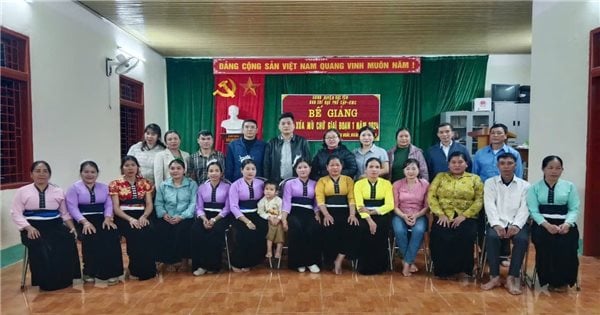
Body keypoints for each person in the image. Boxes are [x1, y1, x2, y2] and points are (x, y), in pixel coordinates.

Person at [10, 161, 80, 291]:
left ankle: (65, 279)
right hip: (32, 226)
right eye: (37, 171)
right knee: (41, 243)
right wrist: (28, 228)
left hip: (54, 224)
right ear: (31, 174)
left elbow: (64, 213)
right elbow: (16, 213)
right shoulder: (22, 191)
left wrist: (72, 228)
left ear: (50, 174)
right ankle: (45, 281)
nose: (41, 174)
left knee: (67, 239)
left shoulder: (58, 191)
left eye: (45, 171)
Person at [527, 155, 580, 292]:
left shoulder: (569, 186)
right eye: (550, 167)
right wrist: (546, 225)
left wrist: (567, 224)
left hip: (565, 225)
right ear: (543, 169)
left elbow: (574, 209)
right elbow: (533, 210)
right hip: (543, 224)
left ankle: (563, 281)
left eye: (558, 168)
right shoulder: (534, 188)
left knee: (566, 245)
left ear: (562, 170)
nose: (554, 171)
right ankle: (548, 279)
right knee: (546, 243)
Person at [480, 152, 530, 295]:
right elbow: (489, 205)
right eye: (502, 163)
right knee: (492, 237)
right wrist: (496, 224)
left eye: (510, 163)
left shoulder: (525, 186)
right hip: (497, 222)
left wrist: (516, 225)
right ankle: (494, 276)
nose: (506, 167)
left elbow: (525, 208)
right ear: (498, 166)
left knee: (521, 240)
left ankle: (512, 277)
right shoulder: (490, 183)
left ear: (515, 165)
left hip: (517, 223)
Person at [428, 151, 483, 278]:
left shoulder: (474, 179)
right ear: (448, 164)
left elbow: (479, 199)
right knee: (439, 235)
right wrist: (440, 214)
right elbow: (431, 196)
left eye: (460, 162)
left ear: (466, 164)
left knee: (465, 235)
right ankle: (443, 270)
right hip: (444, 215)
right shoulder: (440, 177)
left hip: (466, 217)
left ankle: (464, 269)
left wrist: (464, 216)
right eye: (453, 162)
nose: (457, 165)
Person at [66, 161, 122, 285]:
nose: (89, 175)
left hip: (102, 218)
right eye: (86, 172)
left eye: (93, 172)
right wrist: (84, 222)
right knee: (91, 236)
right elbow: (72, 208)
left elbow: (108, 204)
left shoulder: (104, 187)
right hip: (82, 219)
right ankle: (89, 271)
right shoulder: (73, 188)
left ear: (97, 174)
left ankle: (112, 272)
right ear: (81, 173)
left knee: (111, 234)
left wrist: (108, 218)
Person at [472, 123, 524, 258]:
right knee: (484, 223)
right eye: (493, 133)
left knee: (505, 220)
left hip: (507, 193)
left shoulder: (514, 154)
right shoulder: (480, 153)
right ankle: (486, 254)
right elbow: (474, 175)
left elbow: (518, 175)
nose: (495, 135)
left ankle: (503, 254)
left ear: (505, 136)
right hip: (485, 194)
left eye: (499, 133)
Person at [110, 155, 156, 280]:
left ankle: (148, 270)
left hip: (142, 214)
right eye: (127, 165)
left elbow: (149, 204)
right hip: (124, 217)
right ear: (122, 168)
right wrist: (130, 219)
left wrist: (144, 216)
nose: (130, 168)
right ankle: (134, 269)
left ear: (137, 167)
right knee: (136, 234)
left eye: (133, 165)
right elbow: (116, 208)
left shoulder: (145, 182)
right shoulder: (115, 184)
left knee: (148, 231)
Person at [315, 155, 359, 274]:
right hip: (328, 212)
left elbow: (351, 198)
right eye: (332, 165)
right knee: (329, 230)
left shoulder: (348, 180)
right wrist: (326, 214)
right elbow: (320, 200)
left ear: (342, 166)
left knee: (352, 228)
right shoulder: (322, 181)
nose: (335, 167)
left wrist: (352, 214)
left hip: (346, 212)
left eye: (337, 165)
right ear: (327, 167)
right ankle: (330, 260)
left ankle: (339, 259)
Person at [154, 159, 197, 272]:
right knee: (162, 229)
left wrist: (182, 216)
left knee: (183, 230)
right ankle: (169, 261)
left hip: (185, 217)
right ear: (169, 170)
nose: (175, 171)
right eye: (172, 168)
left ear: (184, 170)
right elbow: (158, 202)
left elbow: (193, 203)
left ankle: (184, 261)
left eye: (178, 168)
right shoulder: (164, 185)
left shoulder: (191, 184)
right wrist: (164, 214)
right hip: (167, 216)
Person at [354, 157, 395, 275]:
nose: (374, 170)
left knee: (381, 228)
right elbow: (359, 205)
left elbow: (389, 205)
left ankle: (380, 266)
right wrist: (369, 219)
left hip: (381, 213)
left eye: (377, 167)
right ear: (365, 169)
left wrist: (373, 212)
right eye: (371, 167)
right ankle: (364, 266)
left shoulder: (386, 184)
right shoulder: (358, 184)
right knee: (364, 228)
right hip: (363, 215)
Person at [191, 161, 231, 276]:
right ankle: (199, 265)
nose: (214, 173)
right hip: (205, 215)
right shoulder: (202, 187)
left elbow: (227, 208)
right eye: (211, 171)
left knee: (215, 231)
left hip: (221, 216)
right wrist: (204, 219)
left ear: (221, 173)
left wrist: (214, 220)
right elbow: (199, 207)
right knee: (196, 230)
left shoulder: (228, 187)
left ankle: (212, 266)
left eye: (216, 171)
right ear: (207, 173)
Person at [281, 158, 321, 273]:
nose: (302, 170)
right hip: (294, 211)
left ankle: (311, 262)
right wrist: (284, 218)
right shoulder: (289, 184)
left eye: (305, 167)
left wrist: (317, 213)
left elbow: (316, 203)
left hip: (309, 212)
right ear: (296, 170)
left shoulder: (315, 184)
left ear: (310, 169)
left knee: (313, 228)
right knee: (296, 228)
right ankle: (298, 262)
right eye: (299, 167)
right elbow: (286, 202)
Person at [391, 158, 430, 277]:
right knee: (399, 230)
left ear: (418, 170)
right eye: (408, 168)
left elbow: (426, 207)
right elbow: (395, 206)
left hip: (419, 214)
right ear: (403, 171)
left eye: (414, 168)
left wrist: (416, 215)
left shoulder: (425, 184)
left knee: (418, 230)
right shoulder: (397, 184)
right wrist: (403, 216)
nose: (411, 171)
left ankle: (406, 262)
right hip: (400, 214)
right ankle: (410, 260)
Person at [228, 158, 267, 272]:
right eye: (247, 169)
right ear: (241, 170)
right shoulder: (235, 185)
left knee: (261, 230)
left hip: (257, 212)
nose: (250, 172)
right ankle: (237, 263)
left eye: (253, 169)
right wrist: (246, 221)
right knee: (242, 234)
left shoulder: (261, 184)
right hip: (240, 215)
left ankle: (253, 261)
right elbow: (233, 206)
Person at [263, 112, 311, 183]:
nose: (286, 126)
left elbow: (308, 162)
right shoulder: (272, 143)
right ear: (279, 126)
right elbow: (266, 165)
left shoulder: (302, 142)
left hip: (297, 182)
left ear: (294, 126)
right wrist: (267, 182)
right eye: (283, 124)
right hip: (276, 182)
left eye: (289, 123)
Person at [257, 181, 284, 260]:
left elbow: (282, 211)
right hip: (269, 220)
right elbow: (260, 212)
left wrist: (279, 219)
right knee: (272, 228)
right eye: (266, 189)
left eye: (271, 189)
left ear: (276, 192)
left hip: (279, 220)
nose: (268, 191)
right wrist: (269, 217)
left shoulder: (279, 200)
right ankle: (269, 250)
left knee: (279, 228)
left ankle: (278, 250)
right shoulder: (262, 201)